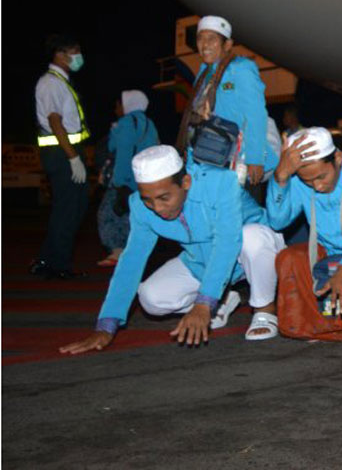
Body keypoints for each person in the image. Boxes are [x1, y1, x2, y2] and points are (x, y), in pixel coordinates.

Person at [59, 145, 286, 354]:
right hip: (200, 262)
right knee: (151, 298)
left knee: (252, 237)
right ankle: (223, 300)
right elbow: (132, 259)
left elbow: (228, 242)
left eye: (164, 198)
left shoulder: (221, 183)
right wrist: (106, 325)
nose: (157, 208)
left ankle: (264, 310)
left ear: (186, 182)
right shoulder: (140, 206)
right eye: (148, 200)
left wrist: (203, 302)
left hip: (250, 251)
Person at [266, 127, 342, 339]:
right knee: (289, 258)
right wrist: (281, 178)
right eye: (308, 181)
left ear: (338, 158)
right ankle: (324, 320)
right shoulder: (299, 180)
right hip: (331, 259)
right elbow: (277, 221)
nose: (317, 185)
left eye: (321, 176)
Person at [177, 15, 277, 186]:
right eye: (200, 38)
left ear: (227, 44)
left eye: (212, 39)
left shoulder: (240, 69)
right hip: (207, 154)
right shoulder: (203, 73)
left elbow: (256, 114)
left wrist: (255, 158)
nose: (205, 45)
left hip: (236, 158)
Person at [31, 34, 91, 279]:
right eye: (74, 50)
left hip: (67, 152)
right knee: (68, 209)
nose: (78, 56)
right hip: (61, 155)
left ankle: (49, 260)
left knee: (75, 208)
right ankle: (56, 265)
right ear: (60, 54)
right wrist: (72, 158)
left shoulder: (61, 81)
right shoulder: (50, 83)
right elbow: (55, 122)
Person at [97, 90, 159, 266]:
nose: (117, 108)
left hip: (125, 178)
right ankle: (133, 252)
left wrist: (119, 182)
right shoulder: (149, 123)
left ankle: (117, 252)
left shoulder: (125, 123)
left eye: (120, 104)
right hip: (144, 179)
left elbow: (122, 152)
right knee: (134, 216)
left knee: (109, 214)